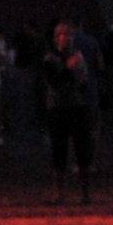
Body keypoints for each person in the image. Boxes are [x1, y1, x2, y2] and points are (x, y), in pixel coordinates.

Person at [41, 20, 100, 206]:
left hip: (77, 107)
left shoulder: (78, 56)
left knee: (83, 150)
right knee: (59, 151)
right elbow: (54, 83)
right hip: (57, 109)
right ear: (56, 38)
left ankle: (85, 194)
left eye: (69, 34)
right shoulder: (50, 58)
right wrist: (68, 69)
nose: (66, 38)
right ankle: (59, 193)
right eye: (62, 34)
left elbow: (83, 82)